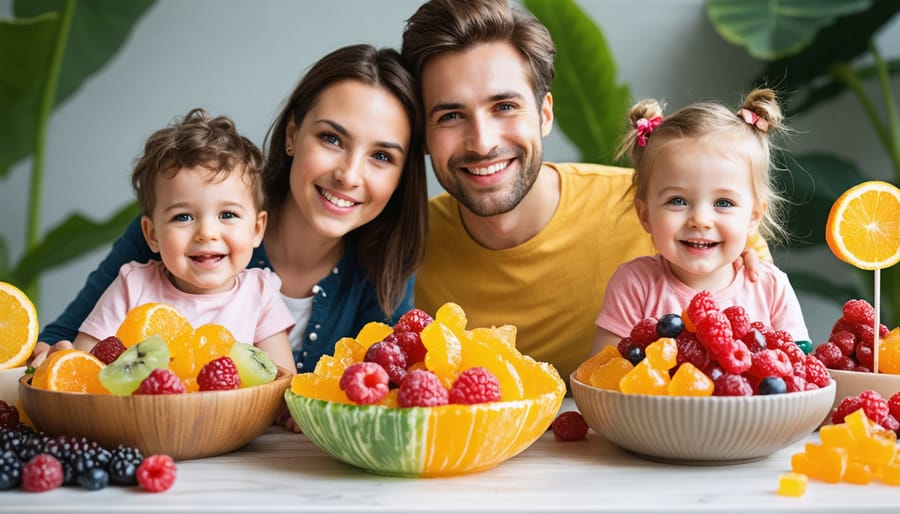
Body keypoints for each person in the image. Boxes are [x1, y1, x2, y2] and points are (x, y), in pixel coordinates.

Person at [401, 0, 768, 383]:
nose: (482, 142)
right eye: (451, 116)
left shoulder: (662, 210)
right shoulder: (405, 241)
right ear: (422, 135)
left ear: (544, 114)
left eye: (505, 106)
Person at [31, 44, 428, 375]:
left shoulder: (386, 264)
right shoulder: (180, 234)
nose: (349, 175)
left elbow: (386, 392)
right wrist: (54, 363)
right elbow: (59, 344)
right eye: (331, 138)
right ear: (292, 135)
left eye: (381, 156)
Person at [63, 107, 296, 376]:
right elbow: (82, 368)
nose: (206, 232)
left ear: (257, 229)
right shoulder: (132, 286)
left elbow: (283, 384)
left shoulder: (260, 293)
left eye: (228, 214)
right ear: (151, 234)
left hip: (236, 419)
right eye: (183, 217)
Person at [591, 89, 809, 355]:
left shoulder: (770, 288)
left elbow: (800, 376)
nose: (700, 220)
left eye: (724, 203)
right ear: (645, 214)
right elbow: (604, 376)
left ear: (753, 217)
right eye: (677, 201)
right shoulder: (635, 285)